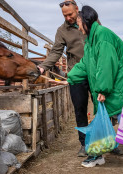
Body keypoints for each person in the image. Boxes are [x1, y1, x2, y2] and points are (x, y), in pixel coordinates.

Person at [55, 5, 123, 167]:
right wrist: (69, 79)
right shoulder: (91, 40)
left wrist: (103, 90)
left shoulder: (102, 36)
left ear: (86, 22)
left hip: (118, 85)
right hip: (109, 84)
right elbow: (85, 64)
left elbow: (106, 64)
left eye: (79, 23)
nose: (78, 27)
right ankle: (97, 154)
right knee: (102, 118)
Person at [37, 0, 89, 157]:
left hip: (94, 73)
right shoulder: (62, 30)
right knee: (80, 110)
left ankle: (106, 140)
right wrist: (42, 67)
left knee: (102, 107)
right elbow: (56, 51)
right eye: (65, 15)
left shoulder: (89, 22)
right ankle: (84, 143)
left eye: (70, 14)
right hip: (76, 75)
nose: (68, 18)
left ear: (77, 9)